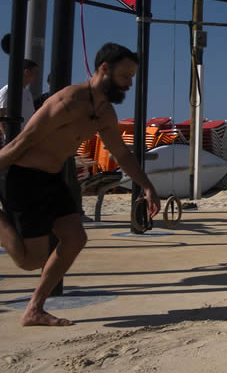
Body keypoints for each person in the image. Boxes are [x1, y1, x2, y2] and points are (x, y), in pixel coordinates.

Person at [0, 43, 161, 326]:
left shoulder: (105, 113)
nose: (129, 83)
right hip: (24, 179)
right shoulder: (66, 103)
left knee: (76, 238)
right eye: (125, 75)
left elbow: (122, 154)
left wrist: (147, 186)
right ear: (104, 70)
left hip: (53, 180)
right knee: (30, 261)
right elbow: (20, 142)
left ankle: (34, 309)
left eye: (132, 77)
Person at [0, 58, 39, 144]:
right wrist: (8, 138)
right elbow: (1, 115)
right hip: (12, 142)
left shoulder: (28, 94)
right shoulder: (7, 90)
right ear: (27, 72)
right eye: (34, 72)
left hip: (25, 140)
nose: (36, 76)